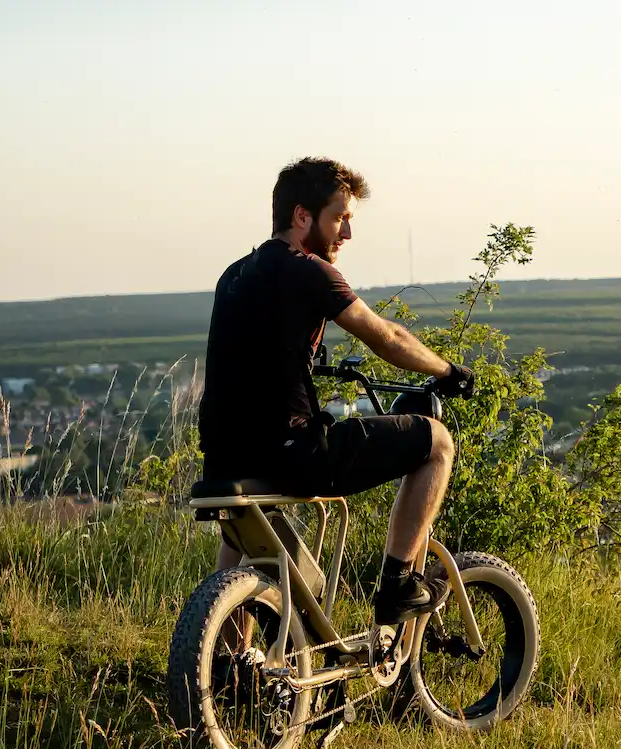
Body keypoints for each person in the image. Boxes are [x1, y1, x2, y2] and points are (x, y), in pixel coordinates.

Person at [197, 157, 475, 626]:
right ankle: (399, 585)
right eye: (340, 218)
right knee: (437, 442)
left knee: (244, 531)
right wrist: (447, 369)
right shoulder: (309, 270)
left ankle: (227, 654)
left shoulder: (235, 274)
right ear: (302, 216)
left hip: (224, 455)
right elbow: (387, 337)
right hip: (292, 456)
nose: (347, 234)